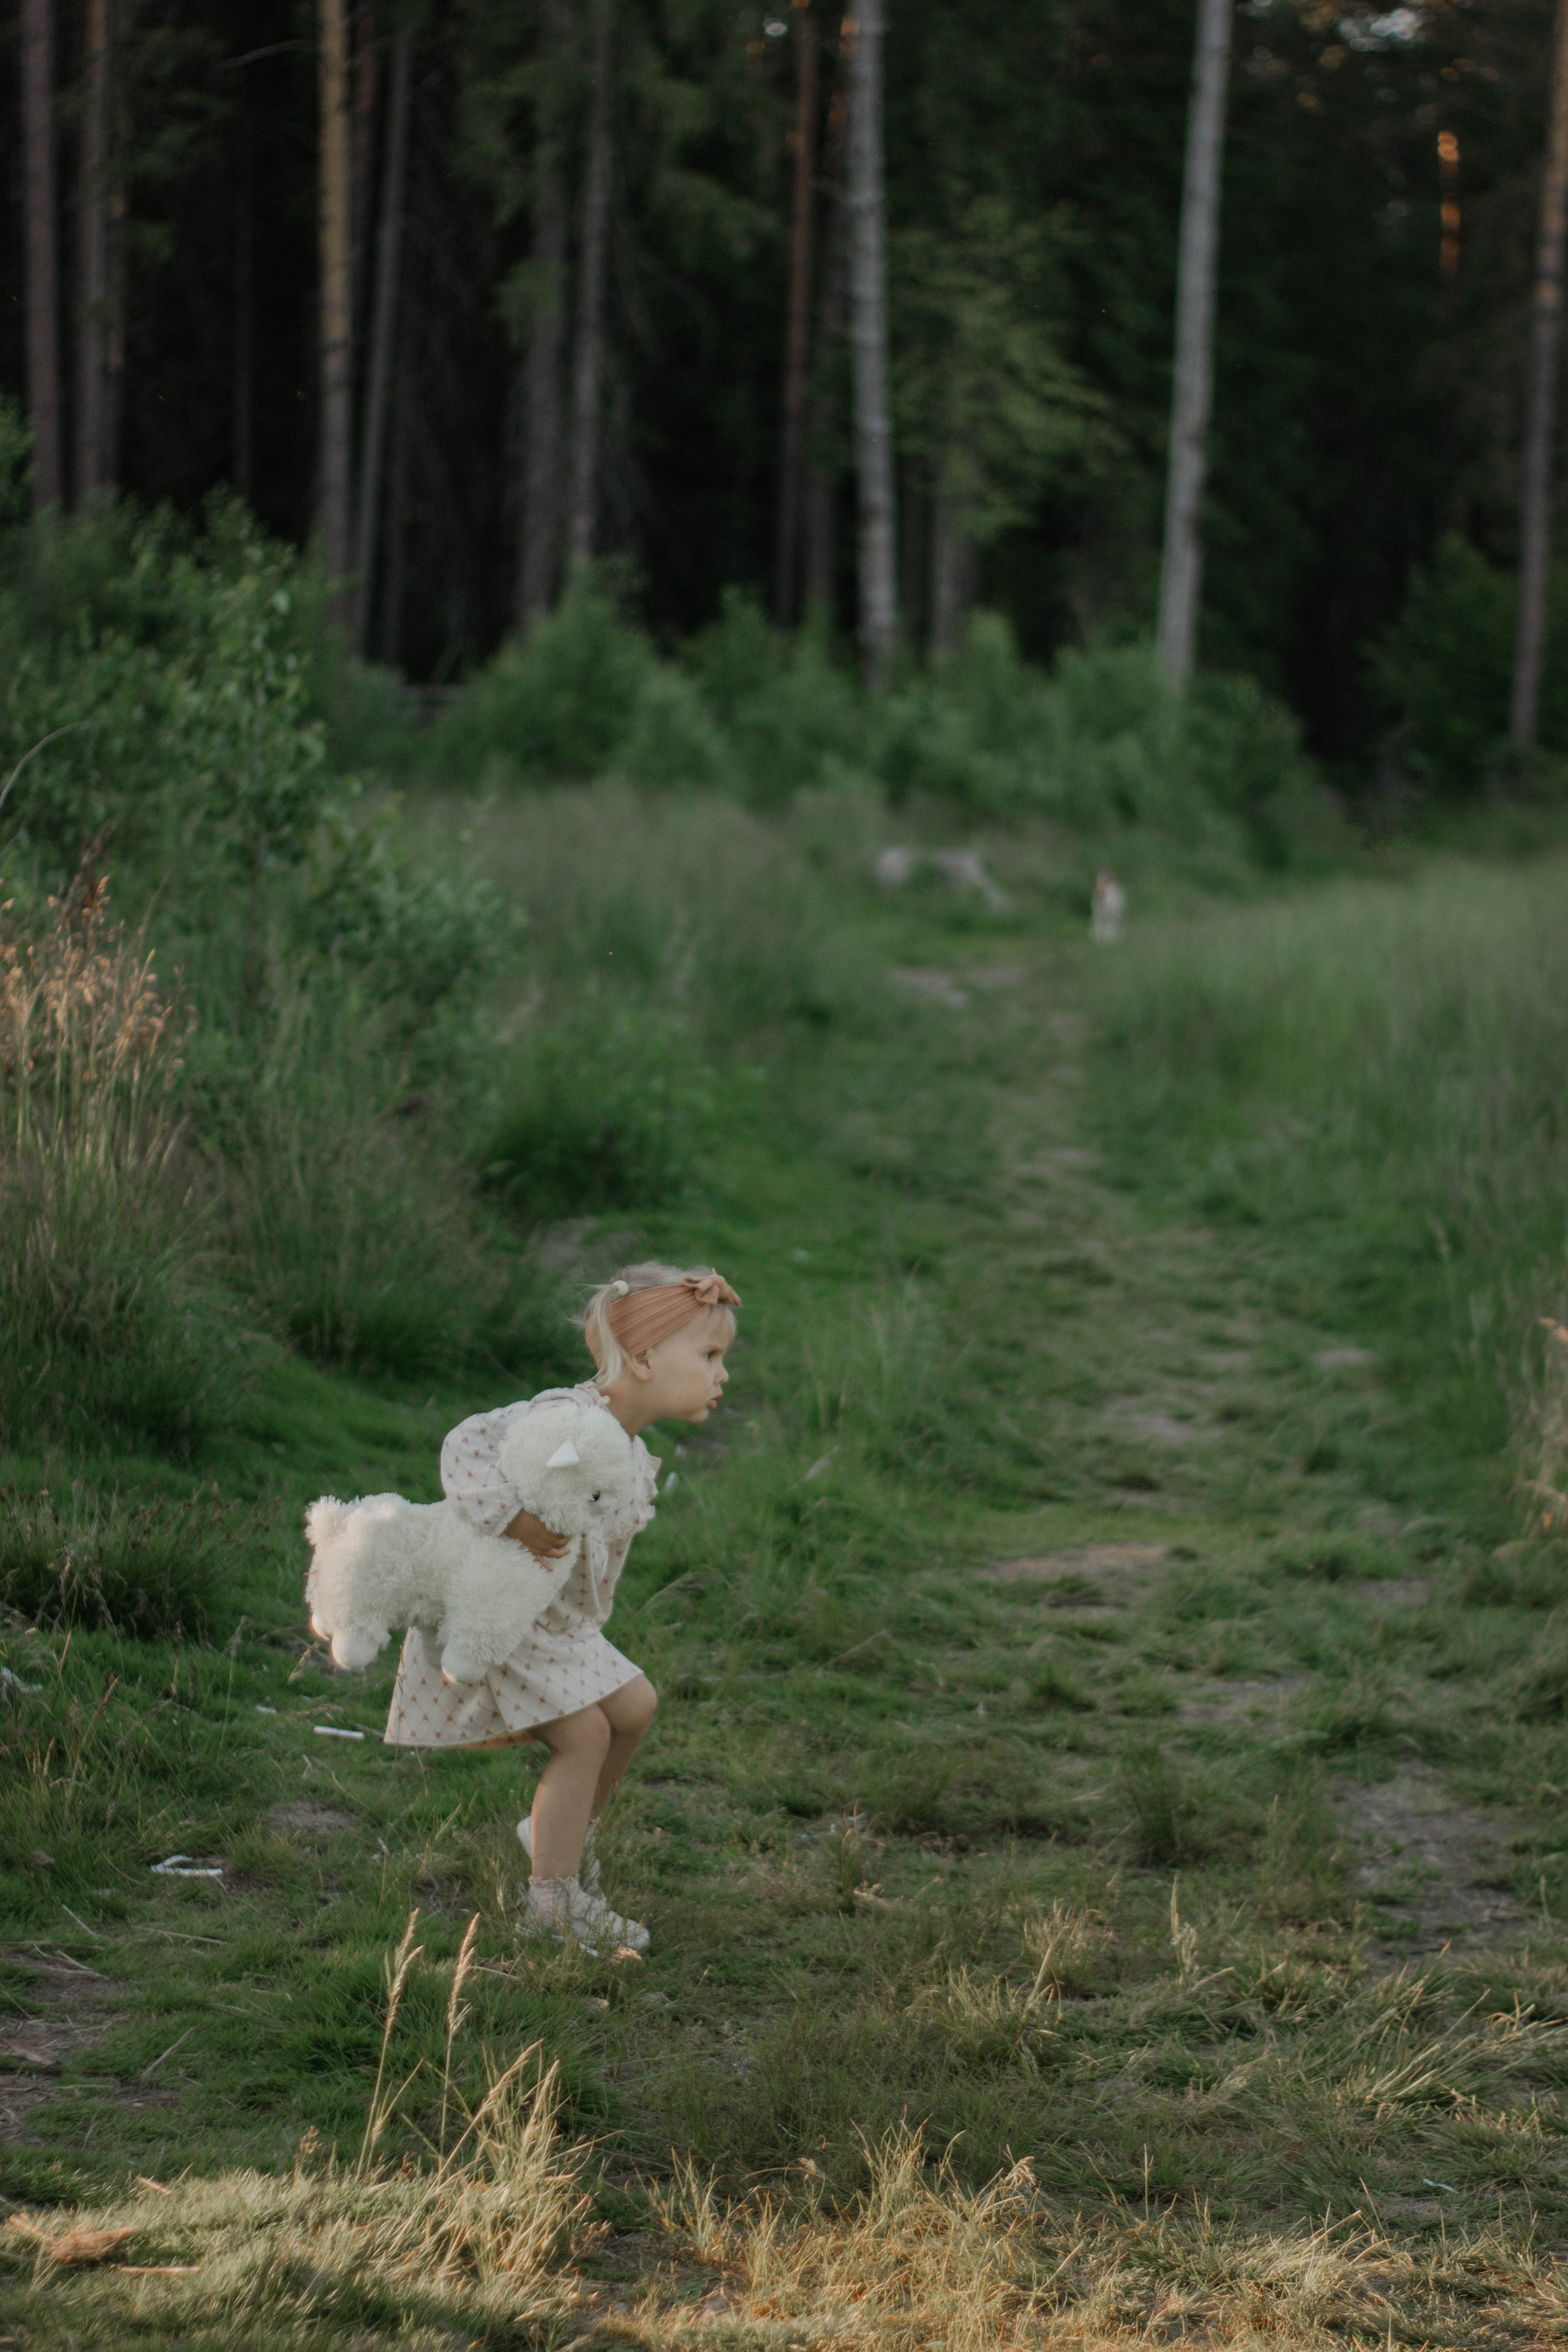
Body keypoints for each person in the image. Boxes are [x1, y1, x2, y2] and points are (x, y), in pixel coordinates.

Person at [383, 1262, 739, 1953]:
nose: (722, 1375)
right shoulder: (566, 1419)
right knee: (586, 1737)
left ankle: (559, 1835)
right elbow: (465, 1447)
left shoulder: (632, 1452)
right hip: (505, 1614)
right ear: (640, 1358)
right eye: (709, 1356)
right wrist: (512, 1517)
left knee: (634, 1707)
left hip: (564, 1627)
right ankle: (552, 1902)